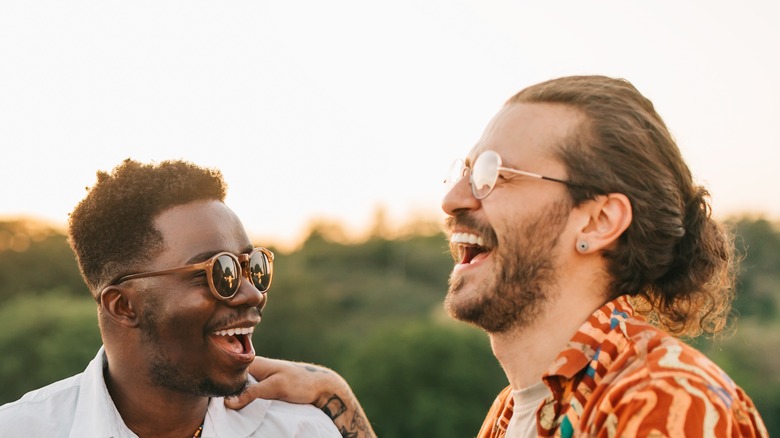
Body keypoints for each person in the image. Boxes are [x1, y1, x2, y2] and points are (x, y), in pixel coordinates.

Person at [229, 75, 768, 437]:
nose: (452, 199)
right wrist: (337, 403)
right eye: (464, 171)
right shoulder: (518, 407)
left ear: (598, 221)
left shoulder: (668, 404)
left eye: (493, 175)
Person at [0, 159, 343, 437]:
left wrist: (334, 390)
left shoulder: (299, 429)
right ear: (123, 305)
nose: (252, 293)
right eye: (219, 272)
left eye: (253, 267)